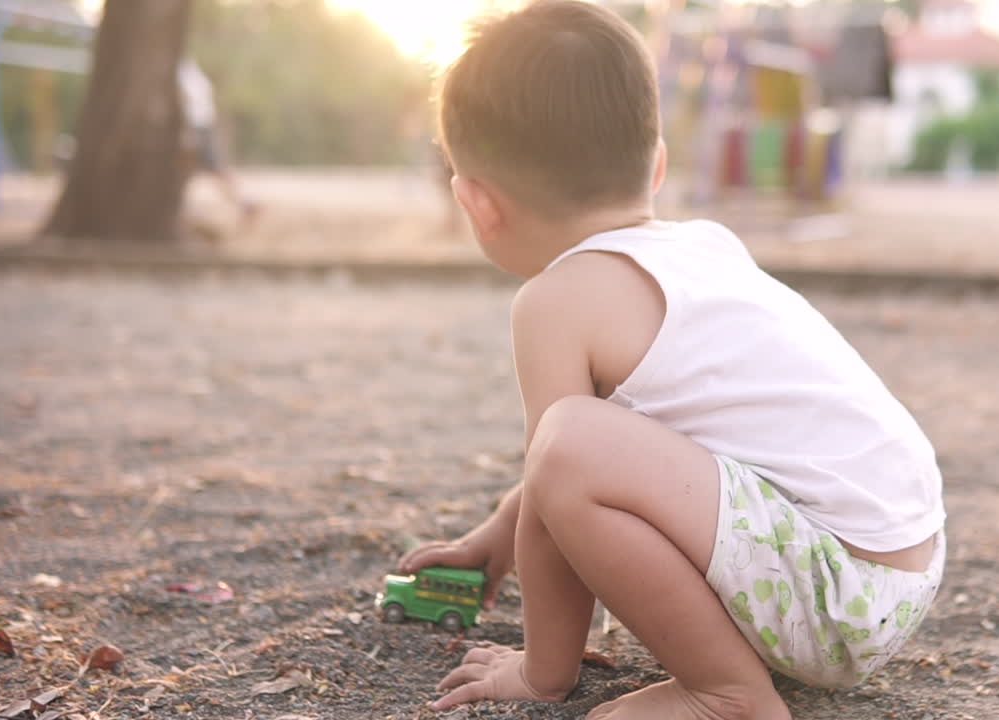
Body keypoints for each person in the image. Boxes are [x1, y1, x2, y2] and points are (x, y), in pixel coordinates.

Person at [396, 2, 945, 718]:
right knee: (576, 445)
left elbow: (561, 473)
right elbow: (604, 471)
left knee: (567, 445)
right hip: (898, 573)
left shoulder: (553, 301)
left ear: (477, 205)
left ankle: (726, 695)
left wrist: (542, 671)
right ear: (656, 166)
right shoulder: (704, 247)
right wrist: (499, 534)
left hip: (832, 593)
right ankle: (732, 674)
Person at [177, 58, 258, 226]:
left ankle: (245, 202)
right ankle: (245, 202)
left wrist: (187, 131)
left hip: (194, 125)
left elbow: (186, 98)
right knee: (211, 169)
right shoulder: (188, 67)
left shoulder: (180, 67)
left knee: (213, 168)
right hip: (202, 123)